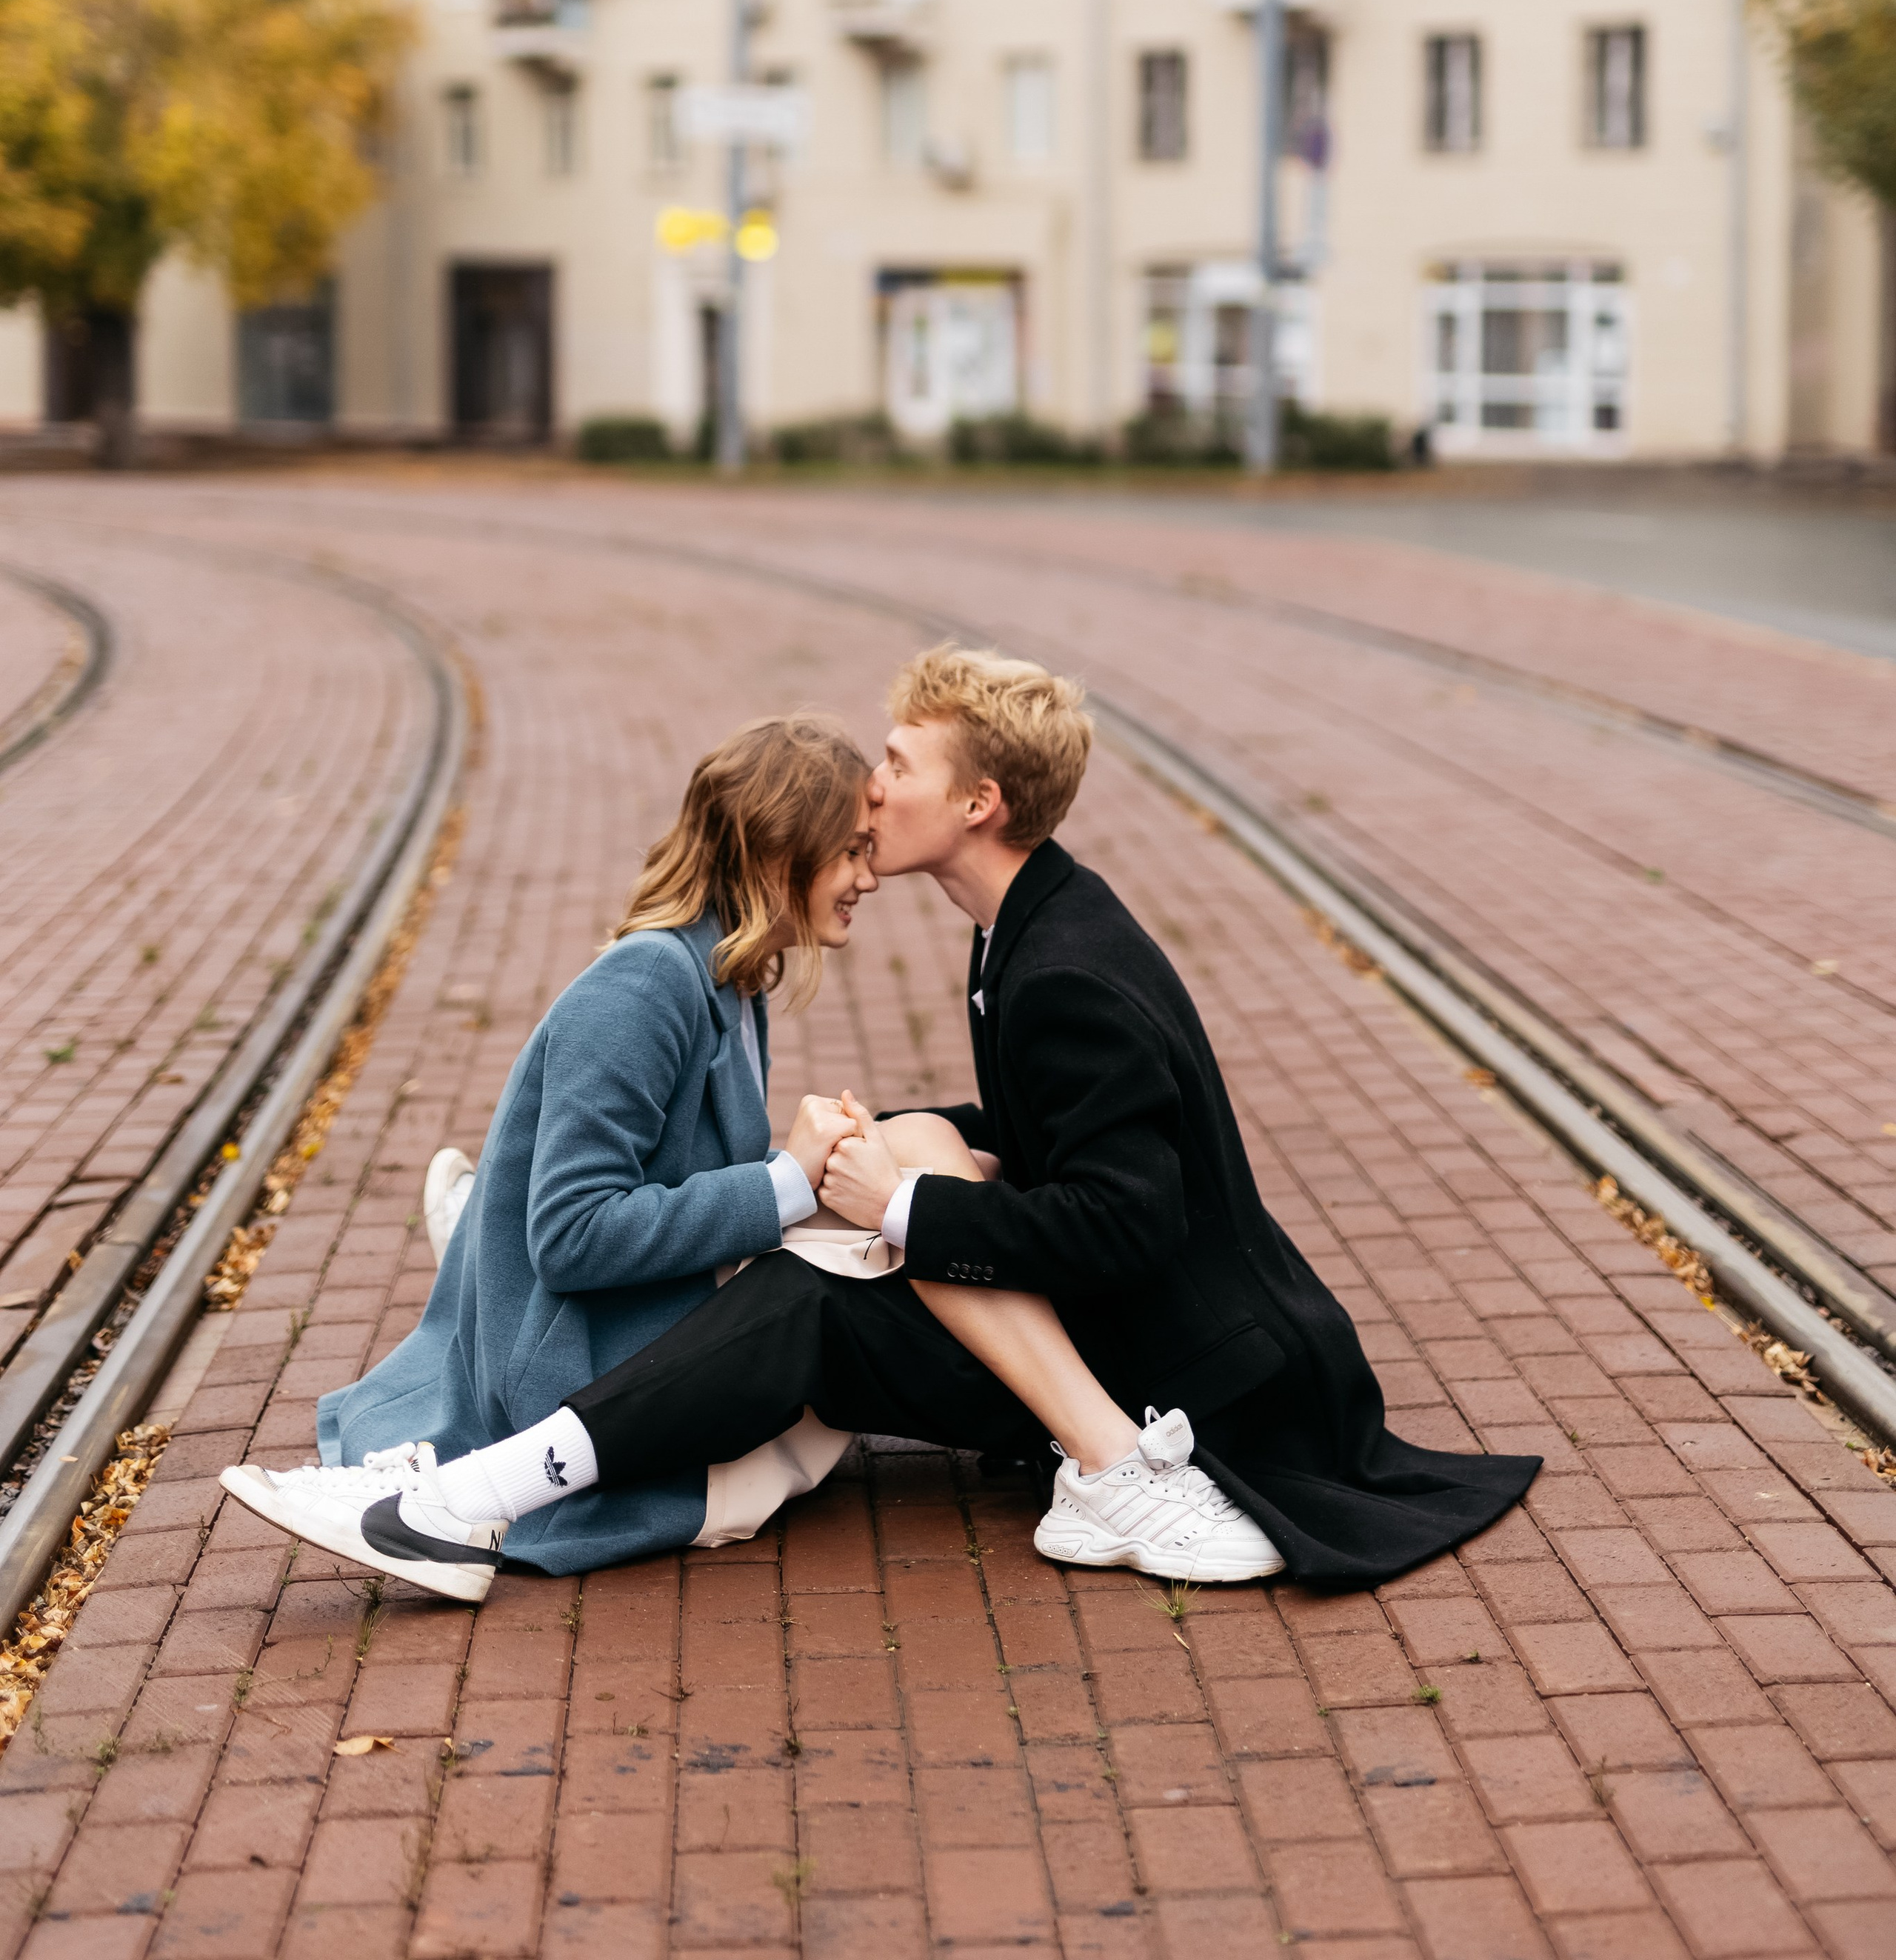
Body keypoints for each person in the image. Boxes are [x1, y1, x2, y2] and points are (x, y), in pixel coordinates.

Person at [227, 649, 1540, 1599]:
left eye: (897, 771)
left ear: (977, 804)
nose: (875, 807)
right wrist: (913, 1150)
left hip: (1198, 1371)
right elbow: (1046, 1133)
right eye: (852, 820)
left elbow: (1130, 1220)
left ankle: (1118, 1473)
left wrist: (884, 1199)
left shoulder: (1056, 970)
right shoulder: (1023, 935)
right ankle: (476, 1432)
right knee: (887, 1174)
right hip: (1132, 1330)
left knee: (828, 1281)